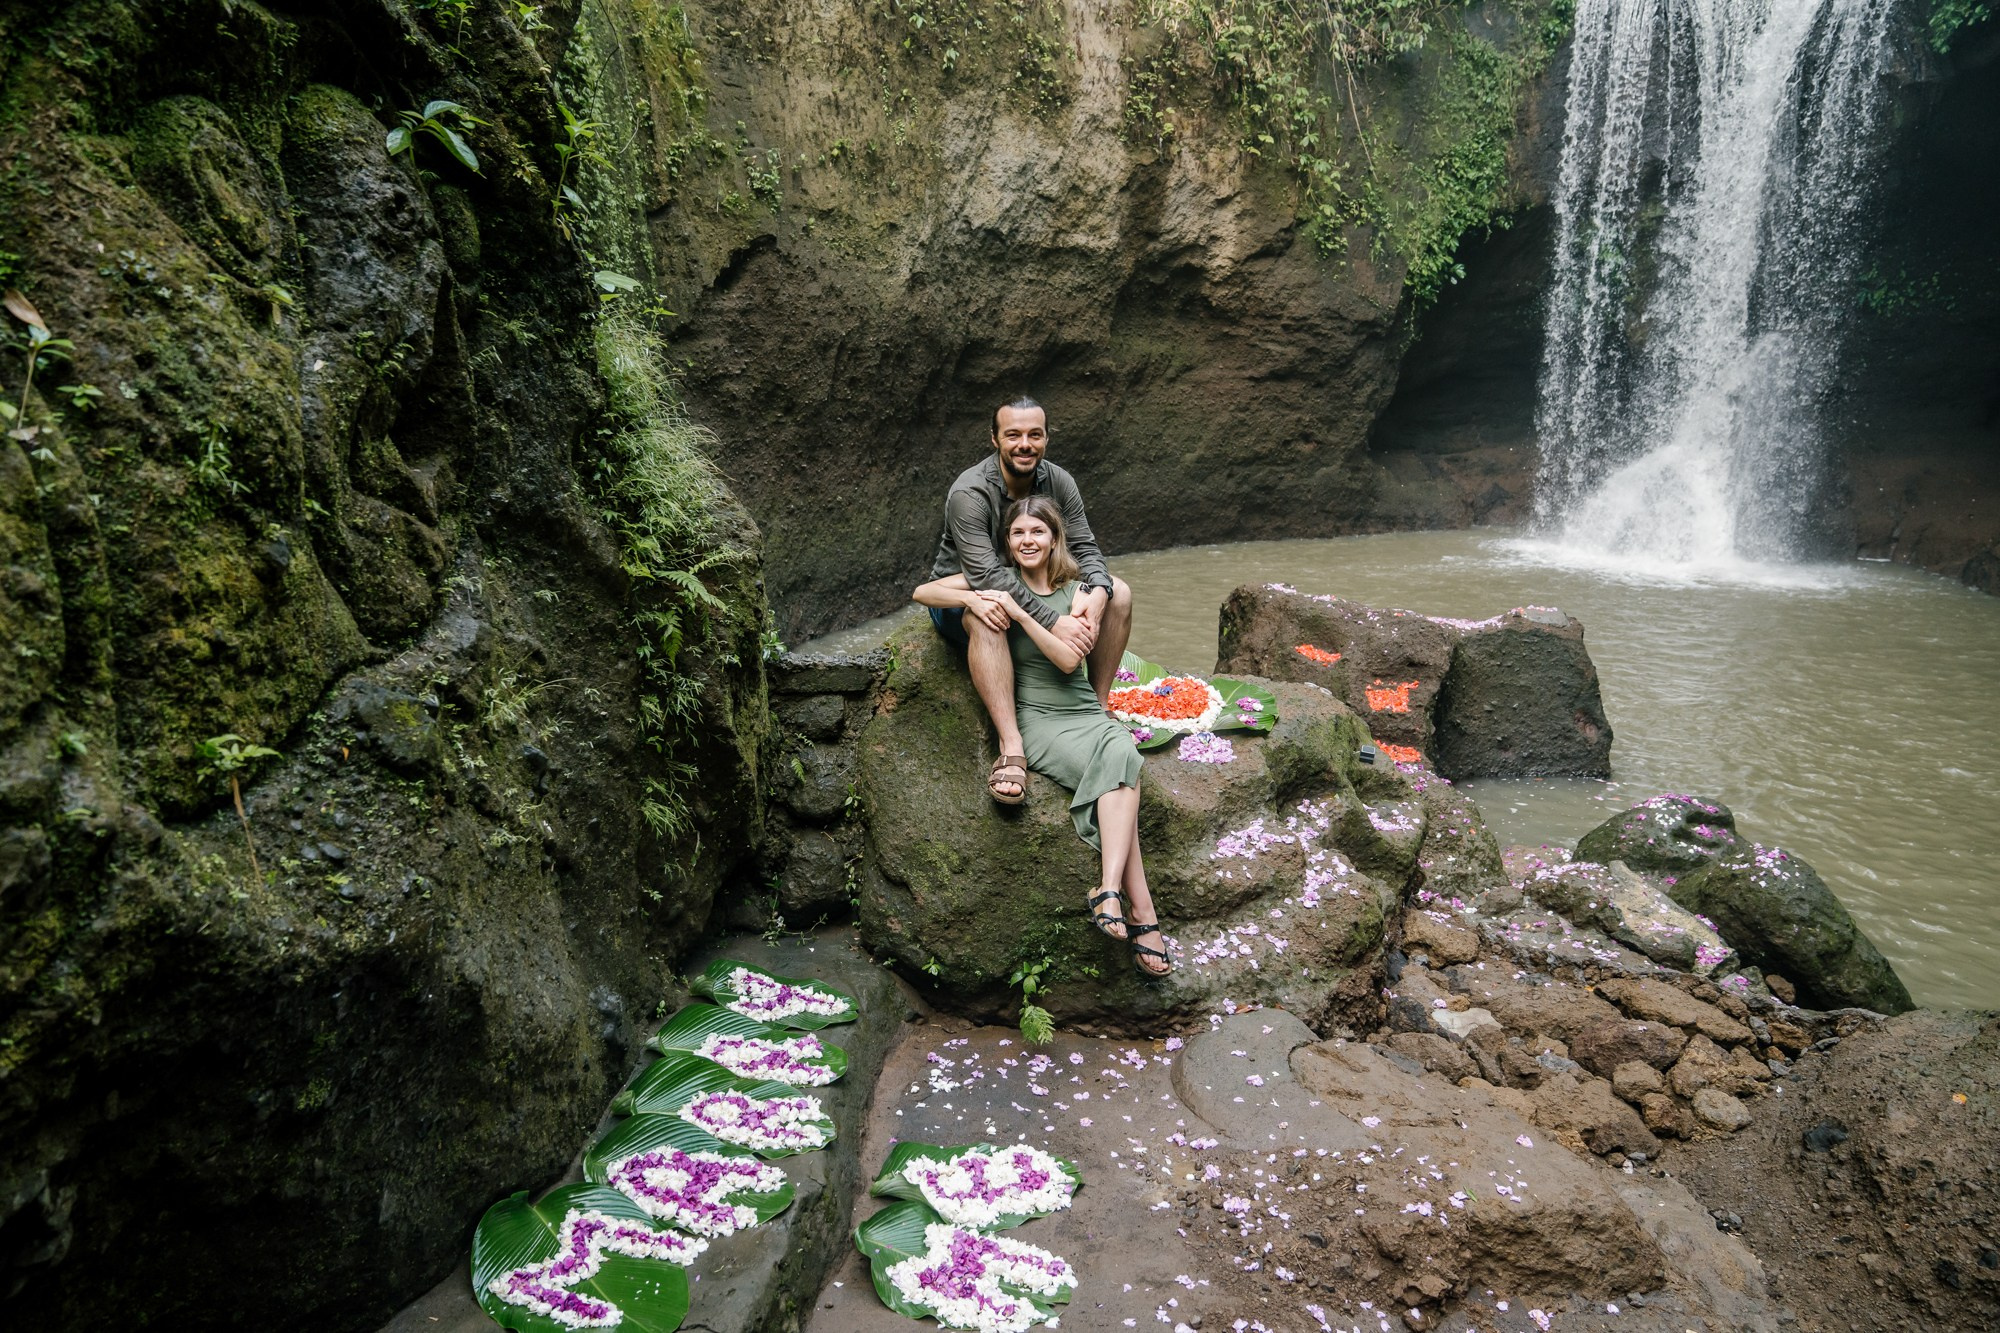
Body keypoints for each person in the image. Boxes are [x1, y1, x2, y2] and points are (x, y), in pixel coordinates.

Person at [915, 496, 1171, 977]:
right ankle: (1138, 910)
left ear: (1055, 539)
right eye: (1018, 534)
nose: (1027, 541)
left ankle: (1110, 892)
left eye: (1037, 532)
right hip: (1039, 718)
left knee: (1119, 755)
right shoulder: (992, 579)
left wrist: (1020, 609)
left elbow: (1068, 659)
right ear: (1007, 543)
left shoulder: (1078, 592)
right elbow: (922, 592)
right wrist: (973, 598)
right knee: (1119, 782)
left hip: (1082, 711)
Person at [928, 397, 1133, 807]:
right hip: (965, 596)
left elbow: (1086, 549)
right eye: (1014, 435)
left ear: (1045, 439)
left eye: (1034, 435)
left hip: (1037, 584)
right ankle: (1011, 746)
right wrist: (1053, 621)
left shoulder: (1059, 481)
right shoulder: (968, 493)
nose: (1025, 444)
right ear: (995, 440)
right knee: (989, 614)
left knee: (1121, 591)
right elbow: (988, 575)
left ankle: (1097, 706)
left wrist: (1098, 594)